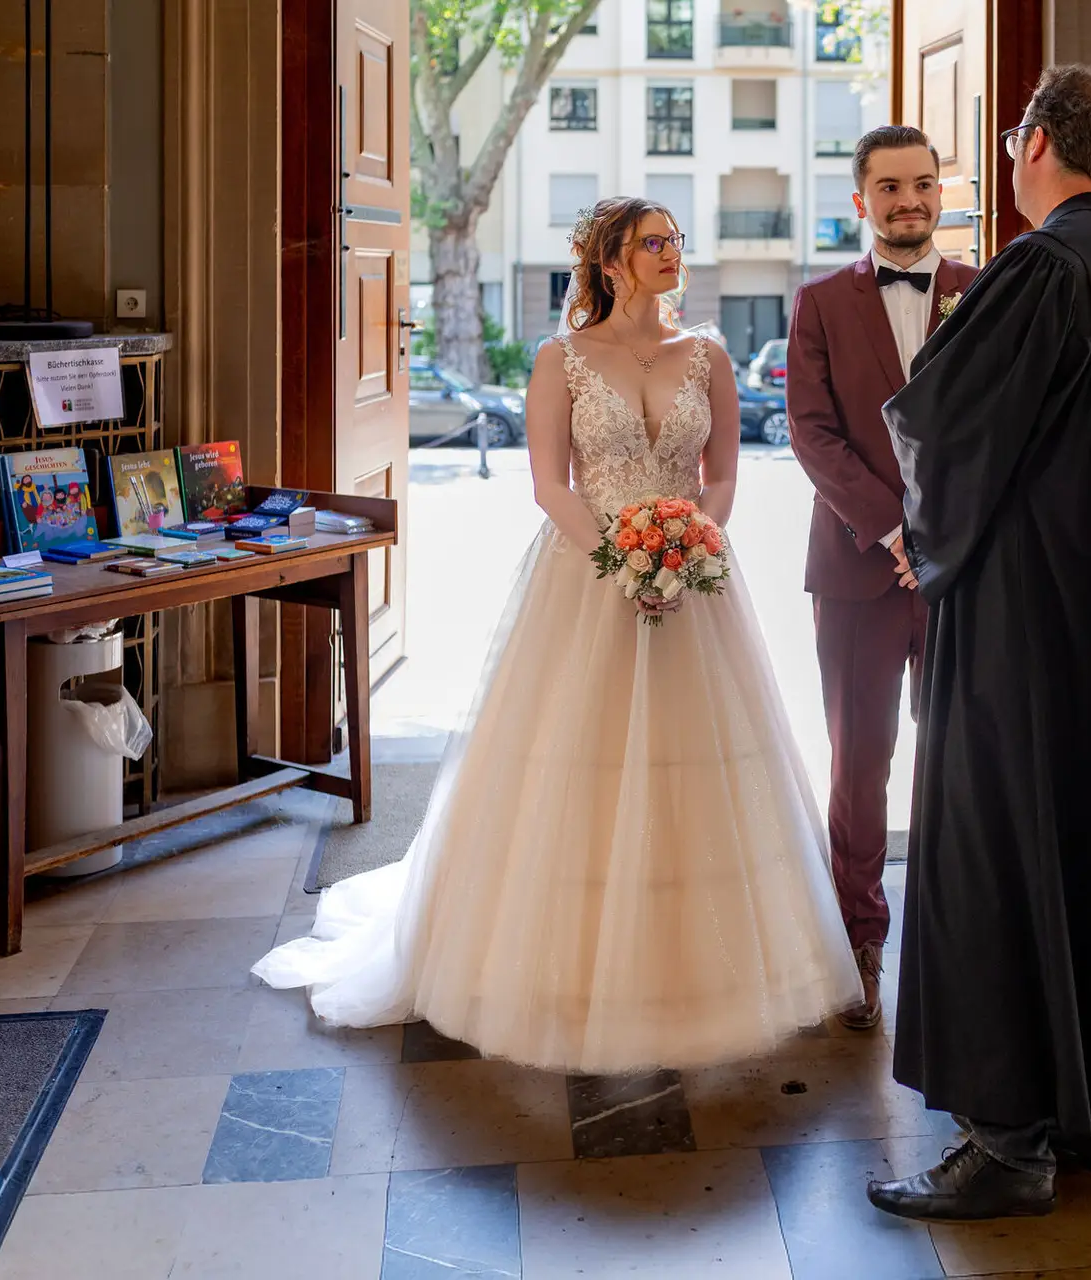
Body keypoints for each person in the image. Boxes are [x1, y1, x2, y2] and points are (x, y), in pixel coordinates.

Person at [253, 198, 860, 1072]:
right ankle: (569, 967)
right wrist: (627, 562)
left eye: (674, 241)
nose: (670, 253)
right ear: (609, 262)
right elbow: (551, 485)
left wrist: (689, 548)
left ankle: (700, 967)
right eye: (652, 243)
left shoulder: (711, 356)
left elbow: (721, 474)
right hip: (588, 576)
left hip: (694, 581)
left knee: (698, 766)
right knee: (580, 762)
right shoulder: (560, 359)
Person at [866, 65, 1091, 1221]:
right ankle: (1084, 1111)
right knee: (1083, 840)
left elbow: (946, 425)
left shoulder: (1043, 265)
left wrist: (921, 533)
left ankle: (1005, 1139)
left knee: (994, 843)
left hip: (1019, 621)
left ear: (1040, 141)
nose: (1008, 153)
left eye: (1012, 135)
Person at [787, 125, 978, 1030]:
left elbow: (996, 427)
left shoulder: (985, 294)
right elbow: (812, 434)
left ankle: (961, 948)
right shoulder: (820, 302)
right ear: (860, 201)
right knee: (859, 765)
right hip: (857, 574)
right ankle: (859, 941)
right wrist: (892, 526)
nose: (910, 201)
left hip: (966, 576)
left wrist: (946, 528)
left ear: (941, 193)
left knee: (962, 761)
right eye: (890, 187)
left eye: (924, 184)